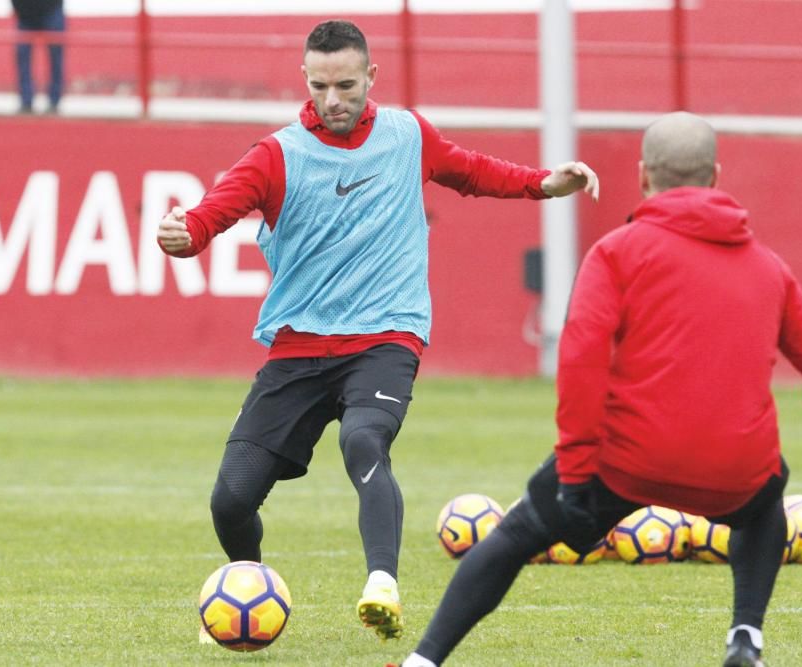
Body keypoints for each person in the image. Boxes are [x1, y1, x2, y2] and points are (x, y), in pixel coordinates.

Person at [156, 19, 599, 642]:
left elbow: (469, 170)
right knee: (230, 499)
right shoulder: (276, 155)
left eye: (345, 85)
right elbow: (210, 214)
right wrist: (182, 235)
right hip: (298, 346)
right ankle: (248, 586)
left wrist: (544, 184)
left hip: (386, 337)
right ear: (304, 81)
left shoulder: (407, 135)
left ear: (371, 77)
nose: (333, 100)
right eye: (319, 86)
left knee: (365, 441)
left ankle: (382, 584)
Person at [391, 112, 802, 667]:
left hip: (623, 462)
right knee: (765, 506)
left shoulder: (616, 253)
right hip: (733, 467)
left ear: (642, 177)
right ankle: (745, 639)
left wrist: (576, 468)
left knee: (516, 535)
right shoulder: (770, 268)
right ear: (715, 176)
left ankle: (423, 662)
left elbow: (581, 358)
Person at [11, 0, 65, 114]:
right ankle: (26, 102)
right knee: (22, 56)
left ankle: (54, 102)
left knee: (56, 58)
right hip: (25, 14)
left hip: (51, 10)